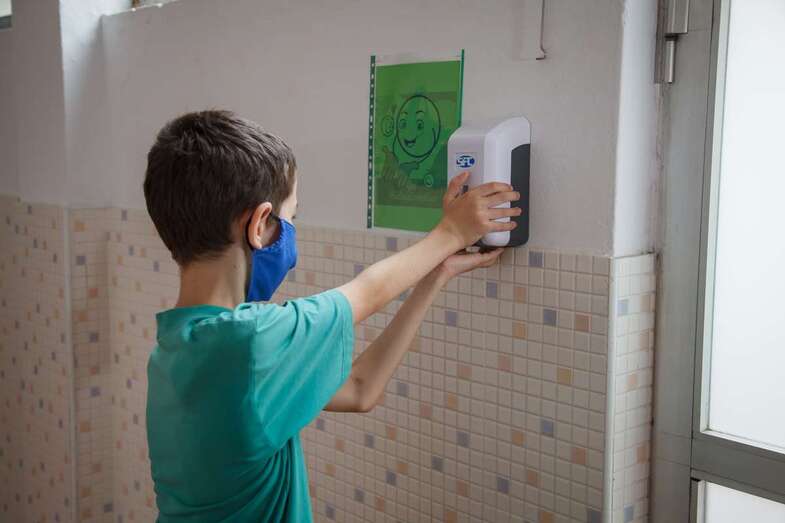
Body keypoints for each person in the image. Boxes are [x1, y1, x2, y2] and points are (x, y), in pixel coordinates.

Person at [142, 110, 520, 522]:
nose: (292, 232)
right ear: (260, 224)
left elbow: (360, 389)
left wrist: (438, 273)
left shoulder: (175, 349)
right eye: (291, 218)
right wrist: (452, 232)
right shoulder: (250, 342)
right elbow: (368, 292)